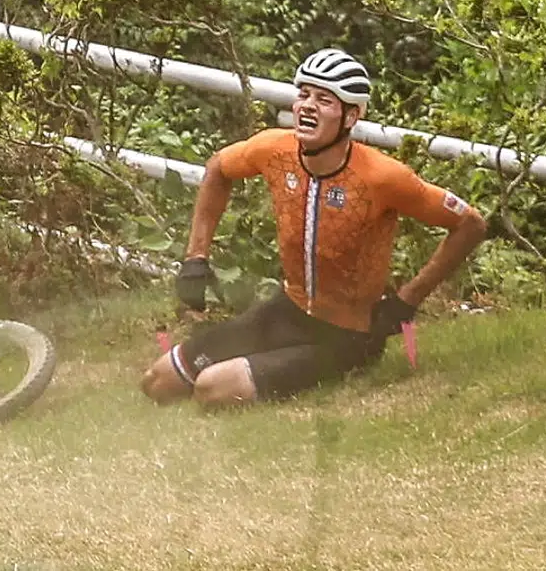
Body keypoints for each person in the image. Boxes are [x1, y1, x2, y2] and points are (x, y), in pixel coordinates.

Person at [140, 47, 488, 408]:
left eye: (324, 100)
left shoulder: (382, 177)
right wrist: (196, 257)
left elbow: (470, 224)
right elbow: (218, 169)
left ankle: (350, 363)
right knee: (157, 382)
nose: (307, 105)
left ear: (351, 115)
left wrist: (407, 301)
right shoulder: (275, 149)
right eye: (303, 94)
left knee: (212, 389)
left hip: (347, 334)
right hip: (286, 312)